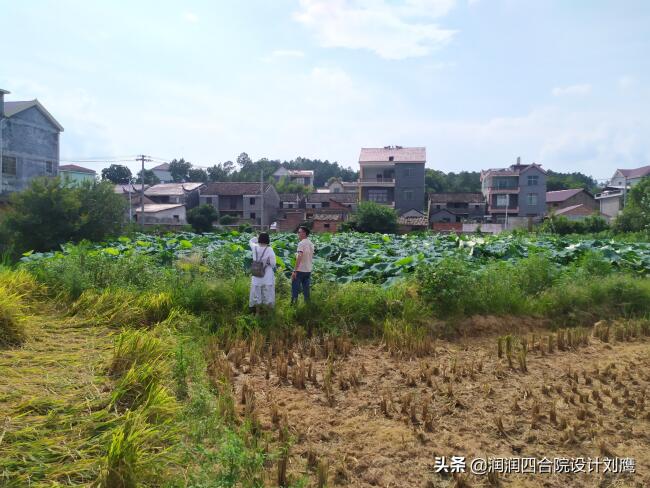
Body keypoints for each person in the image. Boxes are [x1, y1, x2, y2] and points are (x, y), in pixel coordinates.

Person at [249, 233, 276, 313]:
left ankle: (257, 313)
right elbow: (273, 264)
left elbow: (250, 241)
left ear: (259, 239)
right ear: (268, 240)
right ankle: (268, 313)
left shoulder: (254, 247)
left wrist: (256, 238)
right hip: (266, 276)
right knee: (268, 294)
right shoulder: (269, 249)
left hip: (256, 275)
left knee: (257, 294)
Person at [291, 225, 314, 305]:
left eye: (299, 232)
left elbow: (300, 256)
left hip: (300, 270)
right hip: (308, 270)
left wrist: (295, 270)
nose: (298, 234)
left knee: (295, 289)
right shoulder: (311, 244)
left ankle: (293, 306)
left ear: (304, 233)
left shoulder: (301, 243)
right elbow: (309, 256)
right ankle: (307, 306)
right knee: (306, 290)